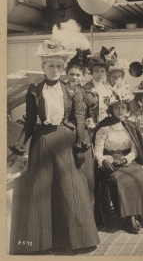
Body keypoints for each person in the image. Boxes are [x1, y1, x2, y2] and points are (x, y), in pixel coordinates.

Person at [7, 21, 99, 253]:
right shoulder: (34, 91)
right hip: (43, 142)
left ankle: (76, 241)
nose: (55, 69)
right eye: (50, 65)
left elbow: (79, 119)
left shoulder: (72, 90)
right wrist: (20, 143)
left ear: (63, 67)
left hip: (66, 141)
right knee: (42, 192)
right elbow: (29, 122)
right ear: (43, 65)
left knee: (71, 189)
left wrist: (80, 145)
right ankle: (40, 243)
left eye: (59, 65)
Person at [94, 83, 143, 234]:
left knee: (139, 174)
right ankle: (129, 218)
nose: (120, 110)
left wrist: (126, 159)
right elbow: (97, 151)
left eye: (123, 107)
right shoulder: (104, 127)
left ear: (127, 108)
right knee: (121, 178)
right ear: (111, 109)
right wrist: (104, 161)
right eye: (116, 107)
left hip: (126, 160)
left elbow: (135, 150)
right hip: (109, 162)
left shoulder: (129, 125)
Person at [65, 48, 96, 207]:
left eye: (78, 75)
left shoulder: (87, 94)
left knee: (87, 177)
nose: (75, 78)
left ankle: (89, 214)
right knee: (71, 179)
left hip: (83, 138)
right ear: (66, 74)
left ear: (83, 76)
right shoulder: (61, 92)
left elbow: (92, 113)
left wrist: (91, 120)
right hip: (66, 138)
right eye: (72, 74)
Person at [83, 47, 115, 125]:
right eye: (96, 71)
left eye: (102, 71)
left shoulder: (109, 88)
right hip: (93, 123)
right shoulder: (85, 89)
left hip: (108, 121)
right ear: (91, 72)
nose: (100, 74)